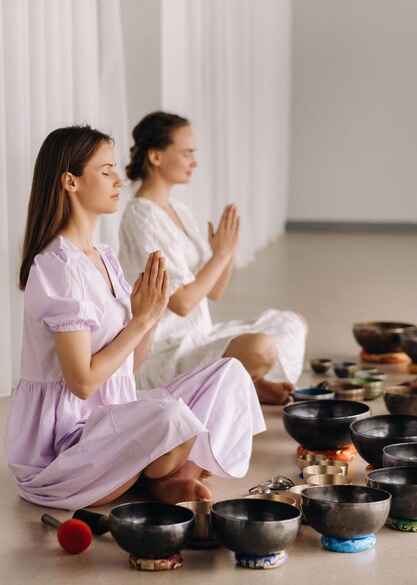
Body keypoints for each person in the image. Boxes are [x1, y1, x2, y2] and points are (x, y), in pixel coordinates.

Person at [4, 125, 266, 511]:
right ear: (70, 182)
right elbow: (83, 382)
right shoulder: (57, 266)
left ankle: (162, 473)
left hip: (116, 419)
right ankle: (164, 472)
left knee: (229, 374)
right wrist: (140, 323)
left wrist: (153, 313)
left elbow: (128, 366)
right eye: (106, 170)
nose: (119, 179)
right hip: (67, 448)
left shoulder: (104, 258)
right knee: (170, 417)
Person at [119, 111, 308, 405]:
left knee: (294, 322)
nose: (194, 162)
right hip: (166, 353)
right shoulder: (140, 216)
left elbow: (215, 291)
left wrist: (228, 250)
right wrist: (219, 255)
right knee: (262, 349)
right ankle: (244, 382)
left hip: (200, 337)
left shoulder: (180, 211)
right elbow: (181, 302)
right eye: (186, 153)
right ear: (155, 157)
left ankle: (248, 383)